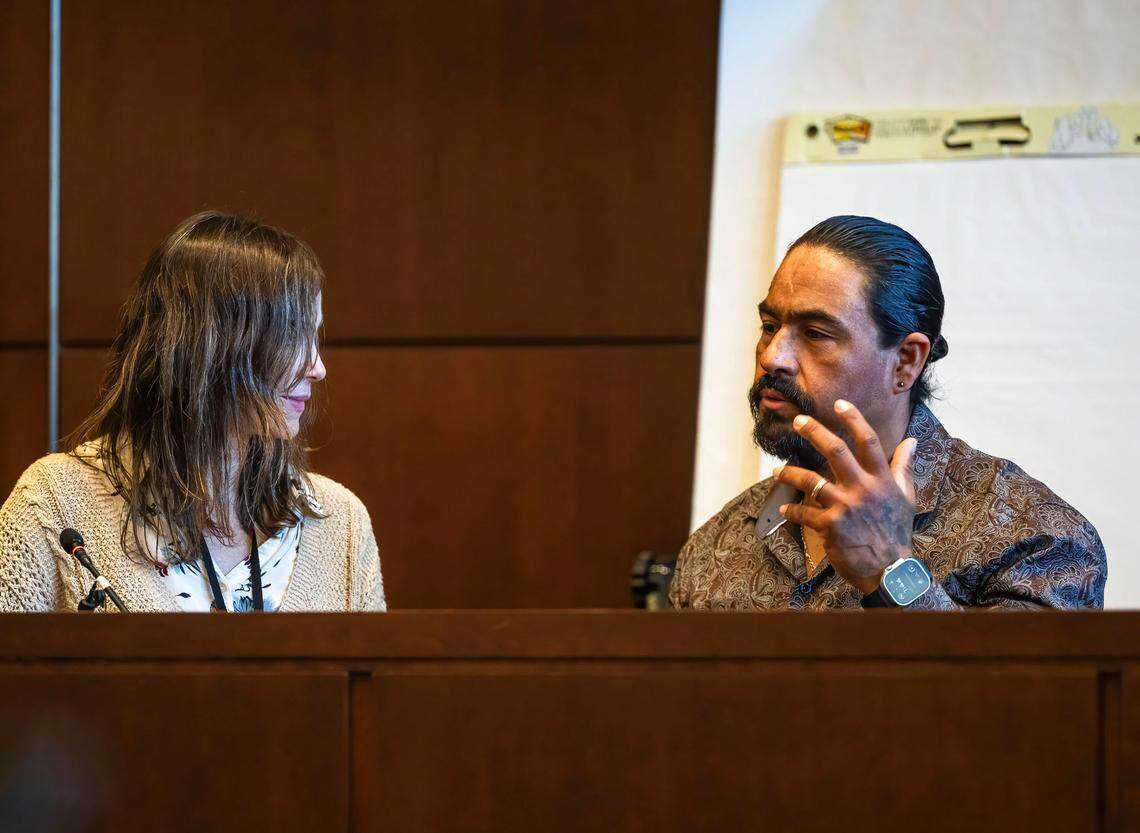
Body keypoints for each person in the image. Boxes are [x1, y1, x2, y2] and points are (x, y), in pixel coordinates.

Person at [671, 215, 1106, 610]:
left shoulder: (1036, 538)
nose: (772, 357)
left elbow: (1019, 696)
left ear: (905, 361)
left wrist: (890, 571)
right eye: (770, 327)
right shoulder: (714, 544)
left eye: (816, 333)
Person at [0, 211, 385, 612]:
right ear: (214, 346)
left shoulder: (341, 523)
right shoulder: (55, 502)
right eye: (294, 337)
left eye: (315, 335)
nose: (318, 367)